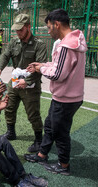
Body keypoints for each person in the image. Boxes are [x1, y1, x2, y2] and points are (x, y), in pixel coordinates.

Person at [25, 9, 87, 176]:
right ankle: (42, 155)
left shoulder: (66, 45)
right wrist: (43, 64)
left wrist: (40, 69)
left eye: (49, 28)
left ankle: (63, 165)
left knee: (60, 133)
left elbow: (58, 74)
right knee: (50, 126)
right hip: (66, 96)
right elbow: (58, 66)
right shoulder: (75, 40)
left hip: (66, 98)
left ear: (56, 24)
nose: (49, 31)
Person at [0, 14, 48, 152]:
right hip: (15, 82)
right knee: (9, 107)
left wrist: (27, 80)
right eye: (16, 30)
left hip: (31, 84)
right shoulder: (14, 42)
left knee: (33, 113)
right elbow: (5, 55)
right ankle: (10, 132)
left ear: (29, 27)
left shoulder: (39, 45)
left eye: (21, 30)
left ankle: (39, 140)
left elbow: (40, 68)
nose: (18, 33)